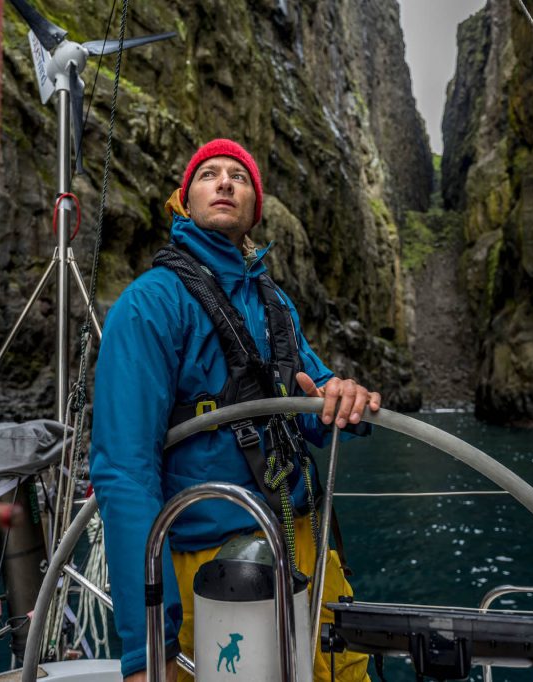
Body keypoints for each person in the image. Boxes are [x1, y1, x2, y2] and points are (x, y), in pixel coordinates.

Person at [90, 139, 381, 681]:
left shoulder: (276, 303)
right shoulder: (150, 304)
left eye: (239, 177)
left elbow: (312, 396)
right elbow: (124, 474)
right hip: (211, 568)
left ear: (254, 211)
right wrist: (148, 644)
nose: (224, 183)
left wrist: (342, 398)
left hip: (305, 550)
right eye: (208, 174)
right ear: (185, 200)